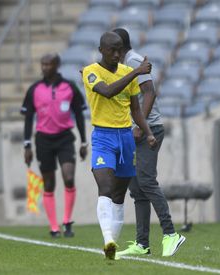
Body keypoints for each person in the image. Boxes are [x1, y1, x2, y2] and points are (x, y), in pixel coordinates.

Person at [82, 31, 157, 260]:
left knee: (118, 195)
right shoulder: (91, 72)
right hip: (103, 137)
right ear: (101, 50)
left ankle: (111, 249)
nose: (116, 54)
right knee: (104, 187)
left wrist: (148, 132)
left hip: (125, 138)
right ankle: (108, 239)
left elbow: (135, 109)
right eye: (112, 50)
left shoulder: (126, 72)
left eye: (119, 50)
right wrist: (136, 71)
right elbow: (107, 91)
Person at [112, 28, 186, 257]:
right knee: (136, 188)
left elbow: (150, 92)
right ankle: (142, 243)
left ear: (119, 46)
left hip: (148, 129)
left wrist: (139, 126)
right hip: (136, 131)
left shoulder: (134, 60)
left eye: (110, 46)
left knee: (146, 180)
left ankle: (171, 233)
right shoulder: (123, 64)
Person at [20, 53, 88, 237]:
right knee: (49, 183)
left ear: (57, 65)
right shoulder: (34, 89)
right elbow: (28, 118)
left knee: (68, 178)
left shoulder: (69, 87)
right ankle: (54, 227)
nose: (44, 67)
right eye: (42, 64)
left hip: (65, 138)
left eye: (48, 64)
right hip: (43, 140)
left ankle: (67, 221)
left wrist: (83, 141)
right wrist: (27, 146)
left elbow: (79, 115)